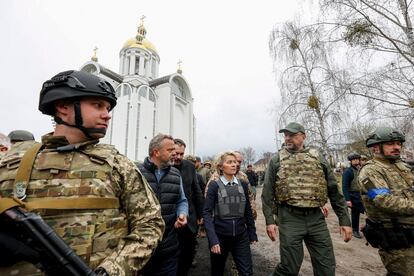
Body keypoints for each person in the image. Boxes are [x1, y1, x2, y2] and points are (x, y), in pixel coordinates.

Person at [0, 70, 164, 275]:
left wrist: (112, 270)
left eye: (108, 107)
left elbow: (150, 224)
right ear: (63, 107)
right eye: (97, 105)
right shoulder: (10, 162)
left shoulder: (117, 165)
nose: (107, 114)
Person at [262, 122, 352, 276]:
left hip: (316, 218)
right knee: (289, 268)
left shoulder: (317, 158)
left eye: (292, 135)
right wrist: (270, 221)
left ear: (303, 136)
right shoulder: (277, 160)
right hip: (289, 218)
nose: (288, 139)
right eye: (286, 135)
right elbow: (267, 194)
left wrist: (344, 220)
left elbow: (334, 191)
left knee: (326, 266)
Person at [358, 127, 414, 275]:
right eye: (390, 144)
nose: (397, 147)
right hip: (397, 239)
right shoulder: (370, 170)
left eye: (398, 143)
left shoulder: (402, 166)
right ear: (376, 147)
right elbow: (383, 200)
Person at [137, 134, 189, 276]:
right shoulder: (135, 172)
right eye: (170, 150)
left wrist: (182, 214)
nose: (174, 153)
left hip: (168, 248)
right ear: (156, 152)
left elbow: (181, 201)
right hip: (140, 250)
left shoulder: (175, 174)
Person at [203, 151, 257, 276]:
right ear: (221, 166)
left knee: (247, 272)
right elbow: (206, 213)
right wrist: (213, 239)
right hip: (220, 236)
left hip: (240, 236)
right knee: (217, 271)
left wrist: (252, 232)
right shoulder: (214, 186)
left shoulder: (243, 184)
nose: (234, 165)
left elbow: (247, 210)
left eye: (235, 162)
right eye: (229, 162)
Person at [173, 138, 204, 276]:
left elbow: (196, 191)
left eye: (182, 154)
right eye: (176, 153)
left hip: (189, 218)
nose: (178, 157)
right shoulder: (164, 166)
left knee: (188, 252)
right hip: (171, 218)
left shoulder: (189, 167)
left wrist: (200, 215)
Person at [342, 152, 365, 238]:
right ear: (351, 161)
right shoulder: (348, 171)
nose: (356, 161)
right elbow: (344, 186)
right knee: (355, 213)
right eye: (354, 160)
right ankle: (355, 230)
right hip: (353, 195)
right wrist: (348, 200)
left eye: (357, 159)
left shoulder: (360, 170)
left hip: (362, 194)